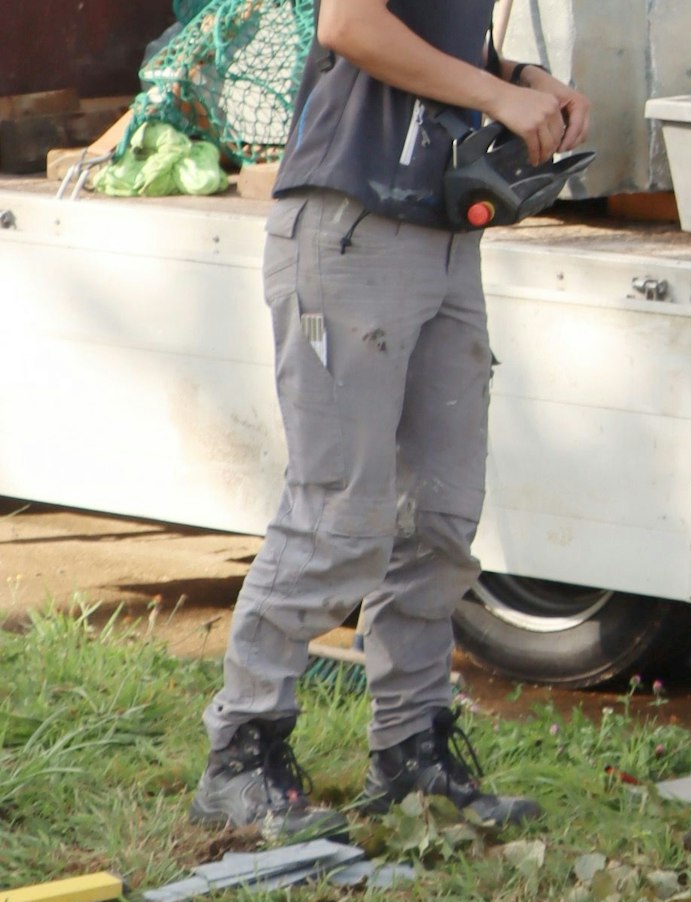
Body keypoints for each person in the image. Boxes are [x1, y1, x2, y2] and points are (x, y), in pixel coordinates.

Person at [190, 0, 592, 840]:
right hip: (349, 227)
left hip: (443, 238)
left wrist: (523, 80)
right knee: (339, 514)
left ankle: (412, 756)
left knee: (440, 520)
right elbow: (350, 24)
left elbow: (435, 35)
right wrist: (496, 93)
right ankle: (241, 755)